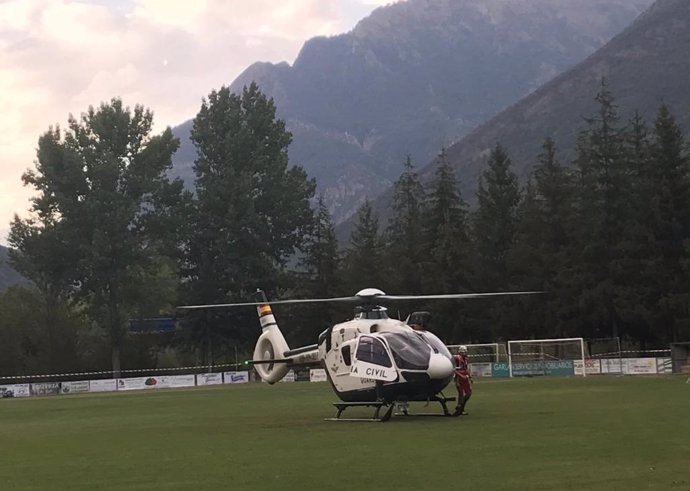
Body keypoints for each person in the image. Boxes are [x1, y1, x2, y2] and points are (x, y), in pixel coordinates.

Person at [452, 345, 472, 416]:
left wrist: (469, 376)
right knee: (461, 393)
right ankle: (460, 408)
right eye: (464, 352)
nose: (465, 353)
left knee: (468, 393)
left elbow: (465, 368)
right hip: (459, 378)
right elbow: (453, 369)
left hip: (465, 378)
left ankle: (460, 407)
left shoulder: (466, 359)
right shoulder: (457, 358)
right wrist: (461, 376)